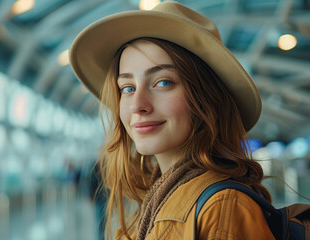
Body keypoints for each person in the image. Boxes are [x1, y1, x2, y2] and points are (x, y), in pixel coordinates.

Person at [70, 2, 274, 239]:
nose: (137, 105)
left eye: (163, 82)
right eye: (127, 88)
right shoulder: (161, 194)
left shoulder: (221, 208)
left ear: (206, 98)